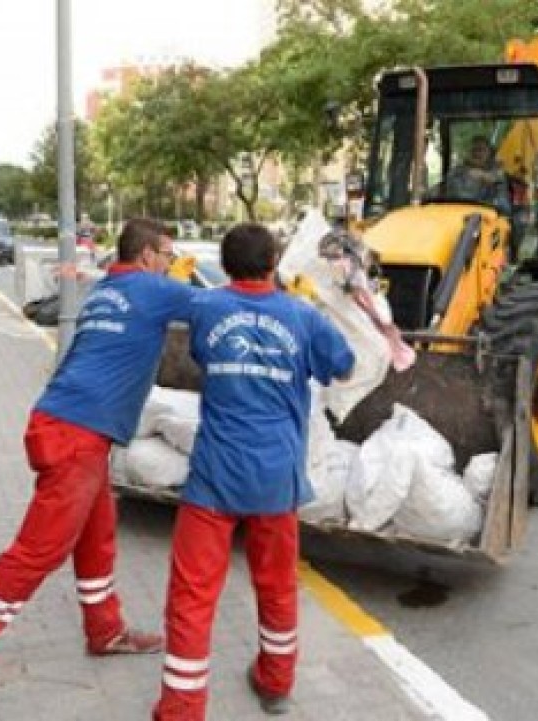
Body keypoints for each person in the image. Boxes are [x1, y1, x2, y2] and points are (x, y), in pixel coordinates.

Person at [0, 218, 196, 721]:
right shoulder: (151, 288)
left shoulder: (107, 289)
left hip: (64, 422)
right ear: (146, 256)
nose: (171, 263)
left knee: (97, 538)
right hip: (77, 434)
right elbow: (224, 303)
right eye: (167, 254)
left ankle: (105, 630)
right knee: (37, 552)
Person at [152, 224, 355, 720]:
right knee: (278, 585)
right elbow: (344, 366)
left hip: (215, 477)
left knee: (192, 595)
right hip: (276, 478)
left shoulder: (207, 308)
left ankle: (181, 708)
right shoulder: (303, 317)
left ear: (226, 265)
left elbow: (199, 354)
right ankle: (275, 682)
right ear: (273, 264)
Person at [446, 134, 509, 211]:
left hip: (486, 216)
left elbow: (504, 206)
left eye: (481, 150)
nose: (477, 153)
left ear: (489, 153)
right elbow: (448, 197)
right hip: (457, 213)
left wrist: (487, 178)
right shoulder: (456, 171)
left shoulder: (497, 175)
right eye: (474, 150)